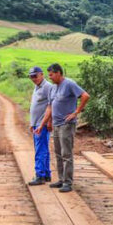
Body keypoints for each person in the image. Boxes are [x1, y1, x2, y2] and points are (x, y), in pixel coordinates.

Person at [36, 63, 90, 193]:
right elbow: (50, 107)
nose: (50, 78)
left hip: (67, 124)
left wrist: (76, 112)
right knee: (58, 153)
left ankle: (68, 182)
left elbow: (85, 96)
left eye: (52, 75)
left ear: (59, 73)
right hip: (56, 124)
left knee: (66, 154)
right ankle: (61, 179)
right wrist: (45, 123)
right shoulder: (53, 88)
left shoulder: (69, 84)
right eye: (49, 75)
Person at [27, 66, 53, 186]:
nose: (33, 78)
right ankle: (46, 174)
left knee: (40, 150)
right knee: (44, 150)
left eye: (35, 76)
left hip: (41, 124)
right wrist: (32, 123)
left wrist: (48, 122)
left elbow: (51, 105)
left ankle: (40, 175)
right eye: (31, 76)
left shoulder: (47, 87)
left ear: (42, 74)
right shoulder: (37, 87)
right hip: (36, 123)